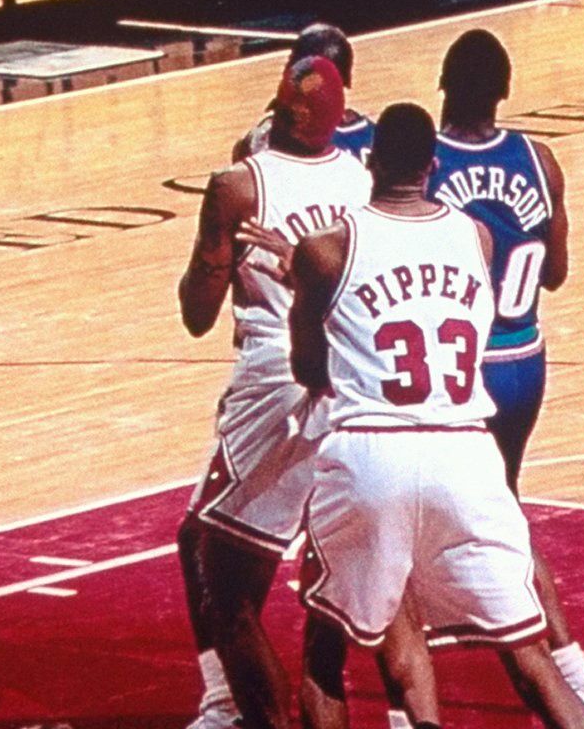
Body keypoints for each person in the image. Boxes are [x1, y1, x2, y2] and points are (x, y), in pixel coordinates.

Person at [287, 102, 584, 729]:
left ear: (368, 162)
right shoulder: (476, 237)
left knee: (326, 645)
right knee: (530, 654)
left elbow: (307, 368)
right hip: (464, 451)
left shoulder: (324, 250)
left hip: (373, 451)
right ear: (433, 166)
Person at [429, 31, 584, 729]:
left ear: (442, 86)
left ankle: (574, 679)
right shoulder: (539, 159)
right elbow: (556, 271)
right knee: (493, 504)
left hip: (463, 367)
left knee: (440, 521)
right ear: (504, 91)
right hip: (526, 356)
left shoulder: (426, 163)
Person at [175, 56, 376, 729]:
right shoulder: (362, 183)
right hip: (355, 387)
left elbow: (197, 313)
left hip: (276, 383)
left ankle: (230, 706)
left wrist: (217, 256)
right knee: (331, 608)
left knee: (222, 579)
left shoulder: (238, 186)